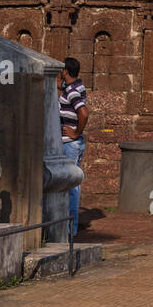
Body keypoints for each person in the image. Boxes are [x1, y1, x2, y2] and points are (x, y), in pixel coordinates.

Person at [59, 57, 88, 236]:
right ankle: (69, 226)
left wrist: (76, 132)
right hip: (72, 143)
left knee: (72, 185)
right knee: (71, 183)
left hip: (71, 143)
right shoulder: (76, 85)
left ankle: (71, 228)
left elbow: (83, 113)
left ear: (66, 71)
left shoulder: (72, 91)